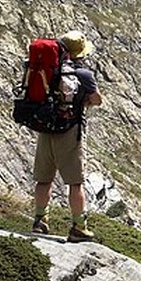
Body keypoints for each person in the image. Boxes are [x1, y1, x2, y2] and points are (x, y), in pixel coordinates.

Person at [31, 30, 103, 242]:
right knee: (75, 182)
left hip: (46, 128)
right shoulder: (84, 75)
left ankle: (40, 221)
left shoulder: (51, 70)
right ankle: (79, 227)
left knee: (44, 179)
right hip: (70, 132)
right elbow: (97, 100)